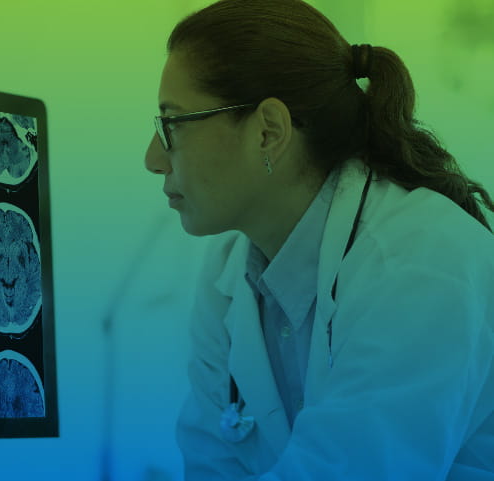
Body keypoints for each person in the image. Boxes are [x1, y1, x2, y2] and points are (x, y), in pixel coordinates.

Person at [143, 0, 494, 479]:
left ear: (268, 132)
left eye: (171, 125)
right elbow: (211, 463)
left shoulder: (418, 260)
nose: (152, 159)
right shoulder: (229, 274)